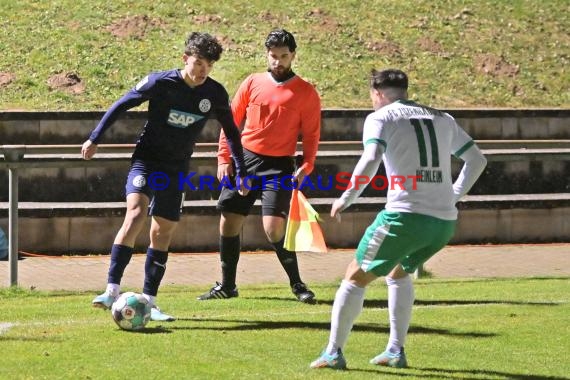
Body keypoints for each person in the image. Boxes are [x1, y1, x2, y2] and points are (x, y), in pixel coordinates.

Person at [310, 69, 487, 369]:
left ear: (377, 93)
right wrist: (452, 195)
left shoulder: (380, 118)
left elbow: (370, 159)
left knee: (354, 275)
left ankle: (333, 353)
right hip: (443, 222)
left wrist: (346, 198)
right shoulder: (443, 118)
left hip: (404, 216)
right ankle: (395, 351)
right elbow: (477, 160)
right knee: (398, 272)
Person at [82, 32, 249, 322]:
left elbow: (232, 132)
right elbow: (122, 104)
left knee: (162, 232)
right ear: (186, 59)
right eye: (197, 63)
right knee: (135, 215)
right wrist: (95, 138)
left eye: (208, 65)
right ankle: (111, 290)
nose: (201, 71)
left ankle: (150, 301)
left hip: (176, 169)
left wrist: (242, 170)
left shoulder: (215, 94)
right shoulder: (160, 82)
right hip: (146, 162)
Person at [197, 29, 321, 303]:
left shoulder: (306, 93)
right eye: (273, 56)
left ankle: (298, 285)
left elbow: (312, 134)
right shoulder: (252, 82)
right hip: (245, 160)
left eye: (284, 56)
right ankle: (227, 286)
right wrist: (223, 157)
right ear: (267, 54)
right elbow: (231, 122)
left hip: (279, 167)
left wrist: (308, 164)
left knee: (273, 229)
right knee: (228, 223)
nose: (278, 61)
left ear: (293, 56)